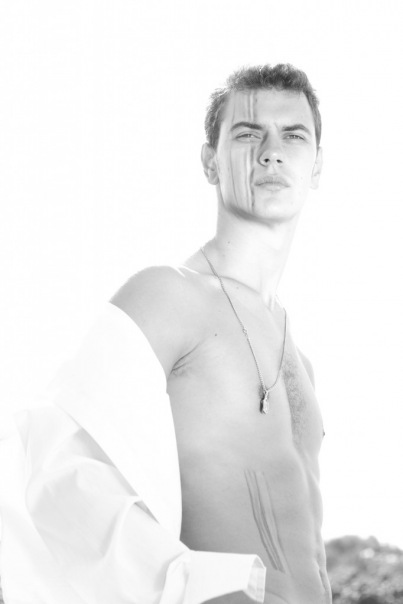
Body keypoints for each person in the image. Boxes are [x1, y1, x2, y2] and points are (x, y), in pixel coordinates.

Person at [0, 63, 330, 604]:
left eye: (294, 136)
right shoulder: (166, 296)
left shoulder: (301, 360)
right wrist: (193, 585)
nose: (272, 152)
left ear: (316, 165)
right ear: (210, 162)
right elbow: (55, 469)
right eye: (248, 134)